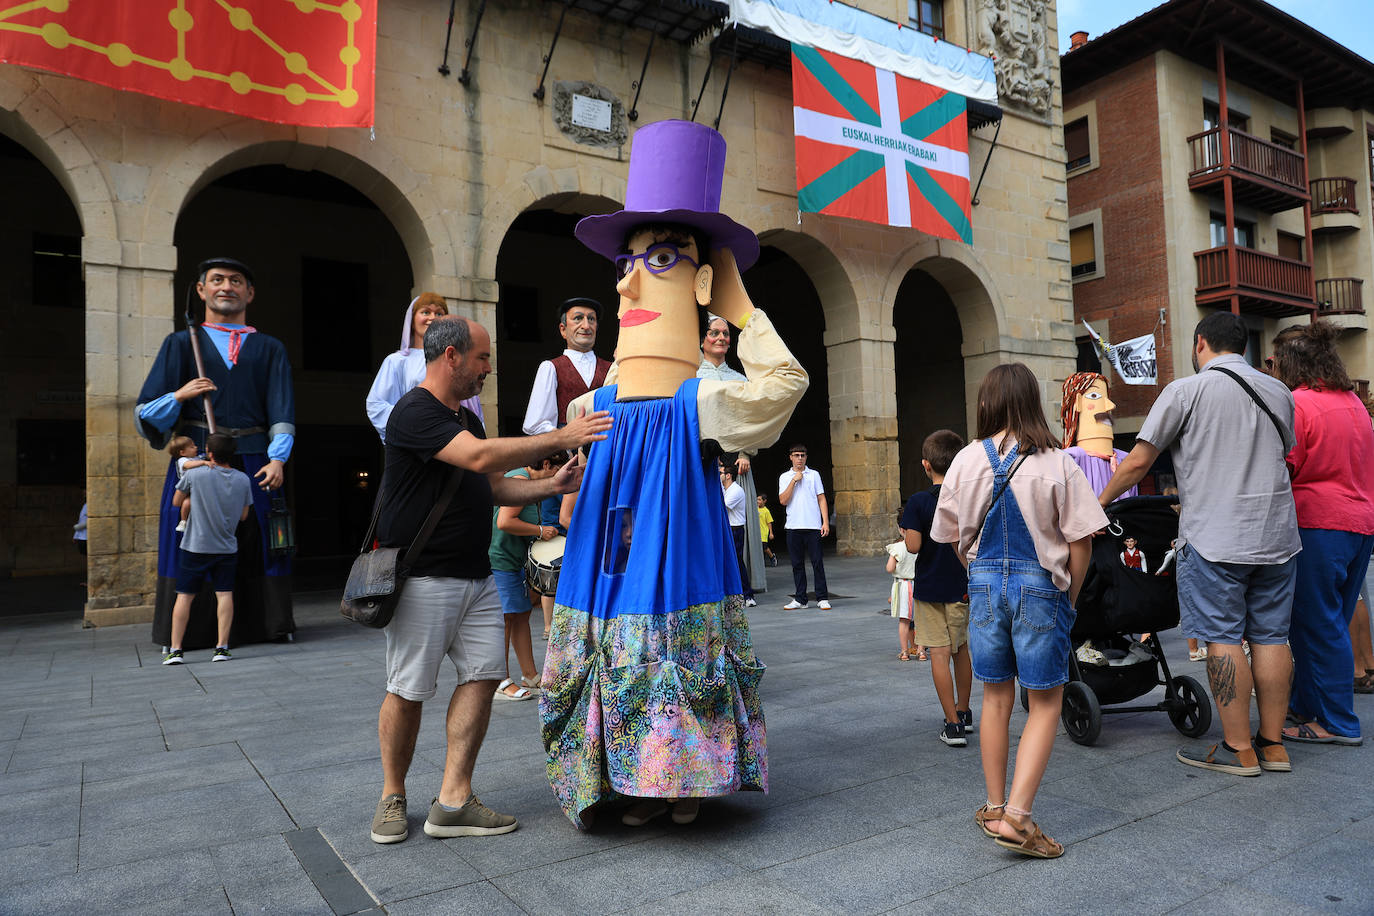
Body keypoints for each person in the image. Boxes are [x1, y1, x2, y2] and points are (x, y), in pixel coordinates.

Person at [541, 119, 808, 829]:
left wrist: (741, 310)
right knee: (618, 658)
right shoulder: (587, 403)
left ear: (702, 281)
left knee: (671, 655)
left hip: (682, 559)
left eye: (660, 260)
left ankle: (682, 783)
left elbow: (784, 382)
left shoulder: (704, 398)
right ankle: (624, 781)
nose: (629, 282)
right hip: (606, 568)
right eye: (626, 264)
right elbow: (567, 469)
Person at [370, 316, 611, 846]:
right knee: (408, 690)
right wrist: (563, 435)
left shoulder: (466, 419)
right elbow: (478, 458)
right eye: (481, 358)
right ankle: (393, 794)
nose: (488, 369)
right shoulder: (414, 412)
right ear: (451, 356)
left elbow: (496, 488)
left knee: (481, 678)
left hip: (475, 575)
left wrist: (553, 482)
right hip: (424, 577)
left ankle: (453, 800)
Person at [1099, 311, 1300, 777]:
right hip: (1277, 535)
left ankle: (1237, 749)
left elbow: (1138, 462)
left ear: (1199, 344)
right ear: (1245, 347)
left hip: (1215, 536)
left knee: (1223, 638)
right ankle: (1273, 746)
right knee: (1272, 637)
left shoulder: (1186, 391)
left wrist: (1099, 502)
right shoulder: (1279, 391)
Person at [933, 364, 1107, 859]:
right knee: (1046, 701)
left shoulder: (965, 460)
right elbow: (1082, 541)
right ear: (1033, 401)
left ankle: (993, 805)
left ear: (986, 403)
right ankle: (1018, 817)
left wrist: (979, 572)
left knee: (994, 699)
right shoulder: (1058, 463)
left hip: (984, 587)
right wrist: (1068, 597)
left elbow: (949, 538)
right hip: (1040, 589)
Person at [136, 257, 295, 649]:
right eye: (218, 280)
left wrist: (278, 459)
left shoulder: (270, 348)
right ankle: (187, 632)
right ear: (202, 290)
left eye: (237, 280)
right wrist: (180, 395)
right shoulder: (179, 343)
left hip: (257, 457)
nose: (227, 286)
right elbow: (146, 412)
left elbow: (281, 410)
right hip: (197, 454)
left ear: (249, 293)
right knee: (187, 530)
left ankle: (269, 624)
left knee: (263, 534)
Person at [1270, 320, 1374, 747]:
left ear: (1290, 362)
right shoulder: (1353, 401)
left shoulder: (1299, 404)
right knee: (1331, 620)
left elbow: (1284, 467)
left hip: (1318, 525)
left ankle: (1337, 722)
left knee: (1318, 626)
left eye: (1274, 361)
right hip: (1359, 524)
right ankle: (1308, 708)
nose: (1271, 369)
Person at [905, 429, 976, 748]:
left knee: (939, 652)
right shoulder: (967, 499)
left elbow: (914, 546)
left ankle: (952, 724)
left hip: (931, 587)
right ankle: (964, 712)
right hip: (961, 585)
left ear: (925, 464)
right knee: (962, 649)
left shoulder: (919, 502)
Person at [162, 433, 253, 665]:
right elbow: (243, 516)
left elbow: (176, 501)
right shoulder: (243, 479)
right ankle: (222, 647)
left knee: (184, 597)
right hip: (226, 546)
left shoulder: (194, 474)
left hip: (195, 545)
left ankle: (175, 650)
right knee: (224, 594)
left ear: (209, 453)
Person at [700, 314, 766, 594]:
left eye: (726, 333)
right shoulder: (691, 375)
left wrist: (746, 453)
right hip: (700, 456)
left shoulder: (738, 379)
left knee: (735, 523)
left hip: (733, 458)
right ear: (702, 338)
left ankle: (739, 581)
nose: (721, 338)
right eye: (714, 332)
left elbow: (748, 419)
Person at [489, 454, 563, 702]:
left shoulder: (528, 483)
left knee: (521, 616)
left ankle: (530, 676)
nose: (556, 477)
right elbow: (504, 521)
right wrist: (540, 531)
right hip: (500, 560)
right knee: (506, 619)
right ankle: (499, 680)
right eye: (556, 470)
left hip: (514, 560)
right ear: (545, 464)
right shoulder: (520, 479)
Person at [366, 293, 483, 440]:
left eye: (439, 313)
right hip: (419, 440)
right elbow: (376, 404)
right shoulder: (397, 361)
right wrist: (415, 425)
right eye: (425, 312)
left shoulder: (455, 359)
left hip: (457, 439)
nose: (432, 317)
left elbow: (472, 405)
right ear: (412, 319)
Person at [522, 298, 611, 435]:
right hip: (567, 453)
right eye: (578, 318)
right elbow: (535, 424)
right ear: (563, 330)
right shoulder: (551, 368)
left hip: (606, 449)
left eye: (591, 319)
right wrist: (566, 445)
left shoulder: (612, 369)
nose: (586, 326)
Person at [1061, 372, 1136, 500]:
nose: (1110, 406)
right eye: (1095, 396)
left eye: (1107, 398)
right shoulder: (1071, 459)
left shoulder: (1125, 460)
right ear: (1077, 403)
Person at [780, 444, 830, 610]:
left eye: (802, 455)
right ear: (790, 457)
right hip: (794, 526)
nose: (799, 458)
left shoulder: (814, 475)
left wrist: (825, 522)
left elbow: (821, 498)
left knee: (817, 562)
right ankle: (800, 599)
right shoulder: (785, 477)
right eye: (796, 455)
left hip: (813, 525)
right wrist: (794, 480)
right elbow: (783, 500)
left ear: (806, 457)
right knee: (797, 564)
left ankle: (822, 597)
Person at [721, 466, 756, 607]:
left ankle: (748, 595)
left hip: (735, 529)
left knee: (737, 562)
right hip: (728, 528)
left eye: (721, 473)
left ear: (728, 475)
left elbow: (722, 507)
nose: (719, 475)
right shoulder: (725, 489)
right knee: (728, 562)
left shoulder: (736, 490)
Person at [886, 525, 918, 661]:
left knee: (904, 621)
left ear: (901, 529)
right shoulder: (920, 547)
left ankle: (905, 652)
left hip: (903, 584)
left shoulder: (897, 547)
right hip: (918, 584)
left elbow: (889, 568)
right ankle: (921, 651)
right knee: (920, 620)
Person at [167, 436, 210, 532]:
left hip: (198, 486)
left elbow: (205, 457)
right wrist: (203, 462)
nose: (196, 448)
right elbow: (188, 465)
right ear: (182, 452)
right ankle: (183, 521)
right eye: (191, 447)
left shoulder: (196, 458)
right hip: (189, 487)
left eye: (194, 445)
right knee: (187, 502)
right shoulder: (182, 460)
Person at [757, 494, 777, 566]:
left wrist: (771, 533)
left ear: (764, 501)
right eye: (757, 499)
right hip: (757, 532)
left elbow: (769, 523)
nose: (757, 501)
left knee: (764, 547)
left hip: (763, 532)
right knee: (758, 547)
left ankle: (772, 557)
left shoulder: (766, 511)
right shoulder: (755, 509)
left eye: (759, 500)